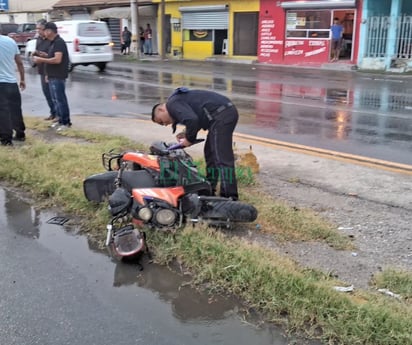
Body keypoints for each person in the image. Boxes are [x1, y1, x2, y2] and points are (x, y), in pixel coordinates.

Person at [151, 88, 239, 200]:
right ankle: (209, 189)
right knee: (210, 155)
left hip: (222, 114)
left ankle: (229, 196)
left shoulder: (172, 104)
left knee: (221, 158)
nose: (165, 124)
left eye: (161, 121)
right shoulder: (177, 102)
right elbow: (195, 116)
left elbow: (192, 120)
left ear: (162, 109)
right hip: (220, 115)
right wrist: (187, 133)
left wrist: (189, 138)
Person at [32, 21, 71, 131]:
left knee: (60, 99)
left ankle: (65, 122)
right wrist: (45, 57)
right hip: (52, 75)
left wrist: (41, 59)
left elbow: (57, 59)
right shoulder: (52, 42)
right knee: (55, 99)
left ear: (49, 31)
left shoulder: (59, 42)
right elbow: (52, 56)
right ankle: (59, 120)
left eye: (44, 30)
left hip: (58, 75)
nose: (42, 32)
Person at [0, 30, 26, 145]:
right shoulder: (10, 41)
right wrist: (22, 79)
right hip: (11, 82)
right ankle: (20, 134)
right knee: (15, 109)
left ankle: (6, 139)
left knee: (3, 111)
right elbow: (19, 62)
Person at [33, 19, 57, 122]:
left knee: (54, 94)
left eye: (40, 28)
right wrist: (35, 55)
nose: (38, 31)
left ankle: (58, 114)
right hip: (42, 70)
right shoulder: (39, 39)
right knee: (46, 93)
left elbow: (53, 56)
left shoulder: (51, 40)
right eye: (37, 28)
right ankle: (52, 113)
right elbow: (38, 51)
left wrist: (44, 57)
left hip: (50, 71)